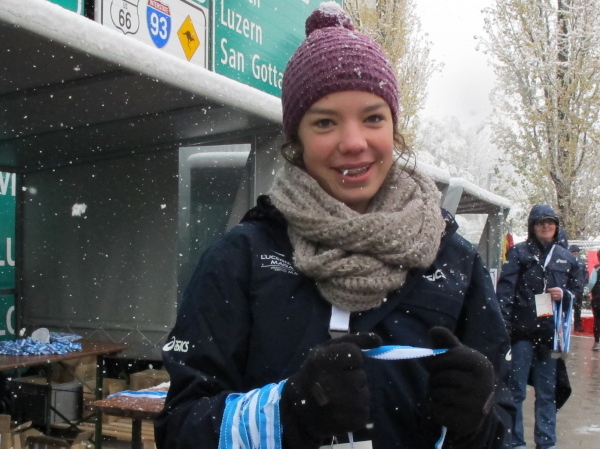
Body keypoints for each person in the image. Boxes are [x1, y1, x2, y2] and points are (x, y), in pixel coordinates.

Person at [155, 3, 513, 449]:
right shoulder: (242, 258)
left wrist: (479, 424)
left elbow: (504, 424)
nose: (354, 142)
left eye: (373, 118)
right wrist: (286, 413)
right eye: (325, 122)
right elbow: (180, 429)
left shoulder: (454, 260)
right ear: (296, 138)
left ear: (394, 129)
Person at [496, 205, 581, 449]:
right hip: (521, 334)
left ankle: (546, 441)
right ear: (532, 227)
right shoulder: (518, 253)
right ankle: (515, 442)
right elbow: (504, 293)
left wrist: (564, 294)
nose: (545, 226)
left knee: (547, 392)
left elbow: (577, 291)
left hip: (550, 336)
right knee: (516, 390)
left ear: (556, 226)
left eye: (550, 222)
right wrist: (505, 327)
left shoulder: (566, 257)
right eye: (540, 222)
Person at [569, 244, 588, 332]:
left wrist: (584, 283)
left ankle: (577, 326)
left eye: (576, 252)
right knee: (568, 306)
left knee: (578, 307)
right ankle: (567, 323)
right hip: (571, 288)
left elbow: (585, 273)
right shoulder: (568, 261)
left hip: (579, 287)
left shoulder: (581, 262)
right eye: (574, 252)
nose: (575, 253)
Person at [587, 249, 600, 351]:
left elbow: (592, 282)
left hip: (598, 298)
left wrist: (586, 292)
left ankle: (597, 342)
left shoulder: (597, 269)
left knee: (597, 320)